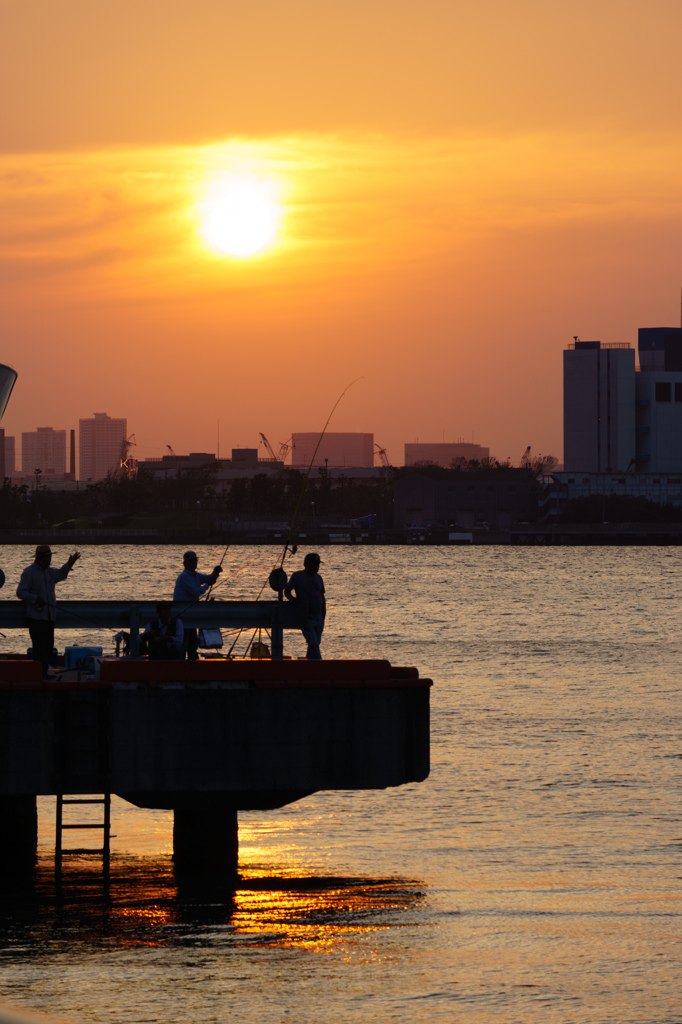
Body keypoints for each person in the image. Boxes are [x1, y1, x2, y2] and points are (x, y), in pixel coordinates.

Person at [16, 545, 81, 678]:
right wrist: (35, 598)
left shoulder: (49, 572)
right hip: (36, 617)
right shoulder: (29, 572)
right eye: (48, 558)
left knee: (48, 647)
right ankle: (39, 674)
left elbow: (61, 574)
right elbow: (20, 592)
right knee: (39, 648)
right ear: (40, 558)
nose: (50, 561)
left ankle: (43, 672)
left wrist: (69, 564)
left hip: (49, 617)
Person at [173, 550, 223, 659]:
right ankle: (180, 662)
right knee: (183, 642)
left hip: (191, 614)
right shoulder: (184, 577)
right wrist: (207, 585)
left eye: (195, 561)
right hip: (182, 615)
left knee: (192, 643)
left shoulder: (195, 575)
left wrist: (216, 572)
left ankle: (193, 660)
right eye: (191, 561)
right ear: (185, 563)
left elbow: (208, 578)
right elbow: (196, 591)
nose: (194, 563)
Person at [284, 552, 326, 659]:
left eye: (318, 565)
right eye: (314, 564)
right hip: (306, 617)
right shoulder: (297, 576)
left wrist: (323, 614)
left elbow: (322, 596)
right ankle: (320, 664)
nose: (317, 567)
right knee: (313, 643)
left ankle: (309, 665)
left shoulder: (319, 578)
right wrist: (292, 599)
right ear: (306, 564)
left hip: (319, 617)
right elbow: (287, 591)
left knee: (315, 644)